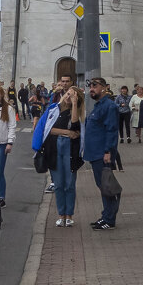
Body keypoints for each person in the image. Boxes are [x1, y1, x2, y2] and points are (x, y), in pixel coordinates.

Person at [83, 78, 121, 230]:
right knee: (102, 185)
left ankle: (109, 219)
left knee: (107, 186)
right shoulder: (98, 105)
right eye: (90, 86)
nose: (91, 88)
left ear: (104, 88)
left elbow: (112, 130)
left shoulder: (109, 106)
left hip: (102, 154)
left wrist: (107, 151)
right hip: (95, 153)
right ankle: (106, 215)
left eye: (95, 86)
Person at [46, 85, 84, 227]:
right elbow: (49, 129)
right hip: (55, 148)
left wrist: (74, 104)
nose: (69, 97)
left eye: (73, 95)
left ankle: (69, 215)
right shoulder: (54, 109)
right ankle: (61, 214)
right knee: (59, 184)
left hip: (70, 150)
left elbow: (75, 126)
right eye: (68, 94)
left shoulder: (78, 113)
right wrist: (67, 132)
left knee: (69, 183)